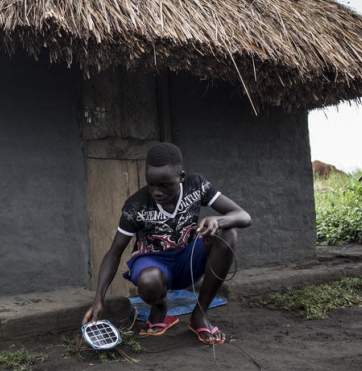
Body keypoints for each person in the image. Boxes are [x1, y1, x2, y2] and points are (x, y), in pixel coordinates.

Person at [82, 142, 251, 345]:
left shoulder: (196, 185)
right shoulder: (136, 205)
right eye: (151, 184)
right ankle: (160, 307)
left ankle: (199, 315)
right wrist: (99, 297)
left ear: (181, 177)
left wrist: (218, 221)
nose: (157, 192)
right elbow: (114, 252)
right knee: (149, 280)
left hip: (188, 258)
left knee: (228, 233)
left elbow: (243, 216)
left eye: (164, 185)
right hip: (154, 263)